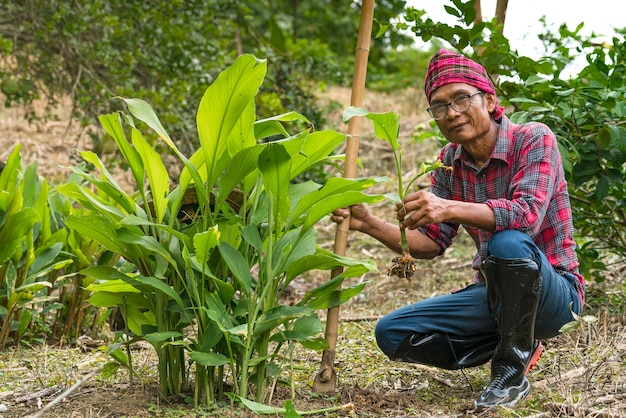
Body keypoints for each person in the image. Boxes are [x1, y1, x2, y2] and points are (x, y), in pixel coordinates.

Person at [331, 49, 585, 409]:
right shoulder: (449, 162)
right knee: (392, 334)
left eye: (462, 98)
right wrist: (368, 223)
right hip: (496, 296)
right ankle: (516, 338)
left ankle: (510, 376)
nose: (451, 112)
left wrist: (448, 206)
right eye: (439, 106)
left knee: (508, 242)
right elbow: (431, 243)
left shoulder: (532, 138)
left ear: (490, 99)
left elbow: (526, 215)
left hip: (556, 295)